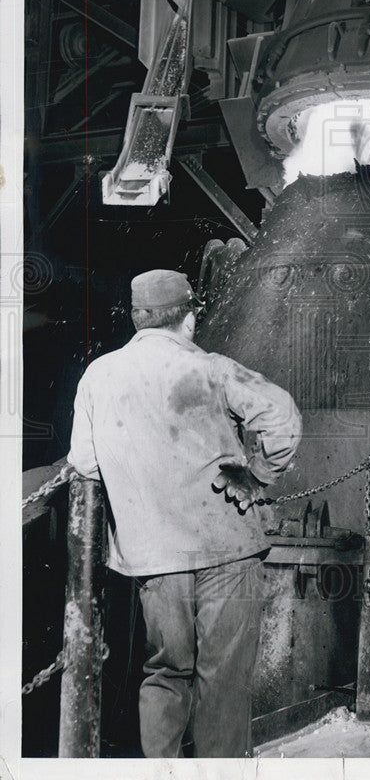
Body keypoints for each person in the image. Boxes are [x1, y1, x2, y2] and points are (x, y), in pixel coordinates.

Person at [67, 269, 302, 758]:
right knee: (223, 678)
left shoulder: (98, 375)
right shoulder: (212, 368)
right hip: (227, 549)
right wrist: (257, 474)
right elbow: (282, 416)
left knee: (166, 673)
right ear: (189, 320)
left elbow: (85, 465)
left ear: (137, 319)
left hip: (153, 556)